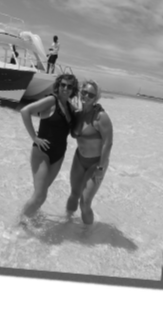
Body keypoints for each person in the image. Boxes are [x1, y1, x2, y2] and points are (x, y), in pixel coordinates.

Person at [19, 73, 79, 222]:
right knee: (40, 195)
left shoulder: (71, 108)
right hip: (42, 153)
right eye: (62, 85)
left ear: (73, 90)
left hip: (58, 155)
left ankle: (31, 217)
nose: (65, 88)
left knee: (42, 192)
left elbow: (74, 132)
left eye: (69, 86)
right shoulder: (52, 100)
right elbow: (25, 111)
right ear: (58, 85)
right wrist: (34, 137)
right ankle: (20, 224)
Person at [65, 80, 113, 226]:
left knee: (85, 202)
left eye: (91, 95)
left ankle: (87, 233)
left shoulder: (101, 117)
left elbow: (108, 143)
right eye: (84, 92)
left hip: (96, 163)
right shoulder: (78, 114)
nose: (86, 96)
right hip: (79, 159)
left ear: (96, 98)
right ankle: (67, 222)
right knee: (74, 195)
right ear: (80, 92)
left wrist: (100, 168)